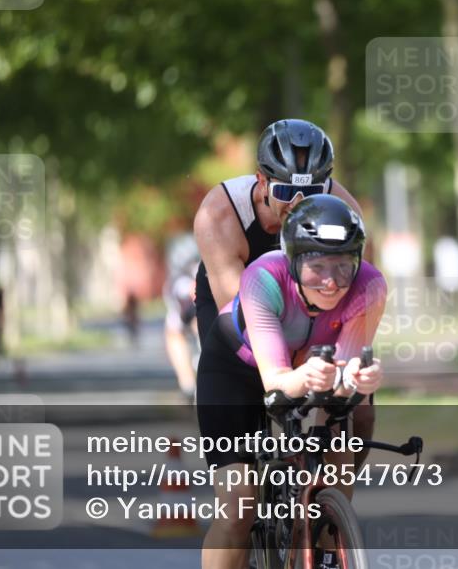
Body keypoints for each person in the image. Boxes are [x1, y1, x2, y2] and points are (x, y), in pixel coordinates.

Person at [198, 195, 386, 569]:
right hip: (238, 370)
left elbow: (343, 376)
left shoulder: (370, 286)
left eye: (343, 266)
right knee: (239, 507)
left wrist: (356, 378)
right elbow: (277, 382)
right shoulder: (262, 278)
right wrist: (309, 377)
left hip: (308, 365)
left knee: (338, 452)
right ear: (293, 260)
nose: (331, 282)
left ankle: (329, 541)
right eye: (316, 266)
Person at [192, 119, 376, 457]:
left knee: (358, 414)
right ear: (262, 183)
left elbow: (354, 298)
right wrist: (291, 379)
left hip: (314, 311)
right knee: (256, 388)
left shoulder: (345, 213)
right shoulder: (219, 215)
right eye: (286, 192)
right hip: (241, 310)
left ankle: (327, 503)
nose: (299, 203)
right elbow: (244, 320)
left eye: (312, 192)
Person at [163, 234, 201, 399]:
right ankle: (188, 382)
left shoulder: (175, 280)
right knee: (175, 329)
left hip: (194, 315)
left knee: (172, 331)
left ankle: (187, 383)